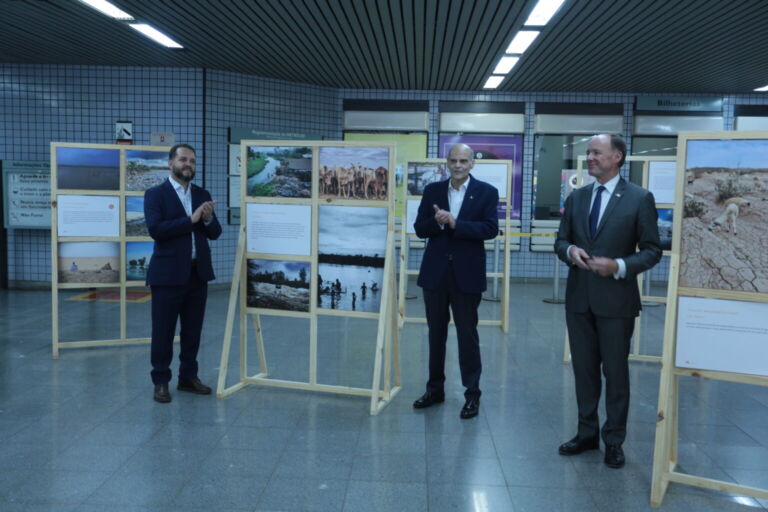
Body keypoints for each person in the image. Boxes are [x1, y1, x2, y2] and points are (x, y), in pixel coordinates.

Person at [555, 134, 661, 468]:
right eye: (588, 153)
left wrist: (620, 266)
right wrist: (571, 251)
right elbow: (561, 240)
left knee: (615, 374)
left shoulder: (639, 198)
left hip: (616, 302)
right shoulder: (578, 197)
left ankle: (614, 439)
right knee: (584, 372)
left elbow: (652, 250)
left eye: (596, 153)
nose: (589, 158)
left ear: (617, 157)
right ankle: (586, 434)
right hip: (579, 300)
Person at [412, 143, 499, 419]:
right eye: (453, 160)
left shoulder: (486, 192)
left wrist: (454, 223)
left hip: (467, 275)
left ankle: (471, 395)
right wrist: (437, 223)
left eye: (464, 160)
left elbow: (490, 229)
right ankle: (434, 390)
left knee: (467, 336)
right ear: (446, 163)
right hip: (435, 274)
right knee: (435, 335)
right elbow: (418, 229)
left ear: (473, 163)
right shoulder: (433, 191)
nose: (458, 165)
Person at [144, 144, 222, 403]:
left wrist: (208, 219)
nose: (188, 164)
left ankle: (188, 377)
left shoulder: (202, 194)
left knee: (192, 331)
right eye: (183, 160)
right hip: (166, 276)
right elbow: (157, 229)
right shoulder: (155, 195)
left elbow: (215, 232)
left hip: (197, 275)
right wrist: (192, 220)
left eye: (192, 160)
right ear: (170, 163)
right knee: (163, 331)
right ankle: (161, 381)